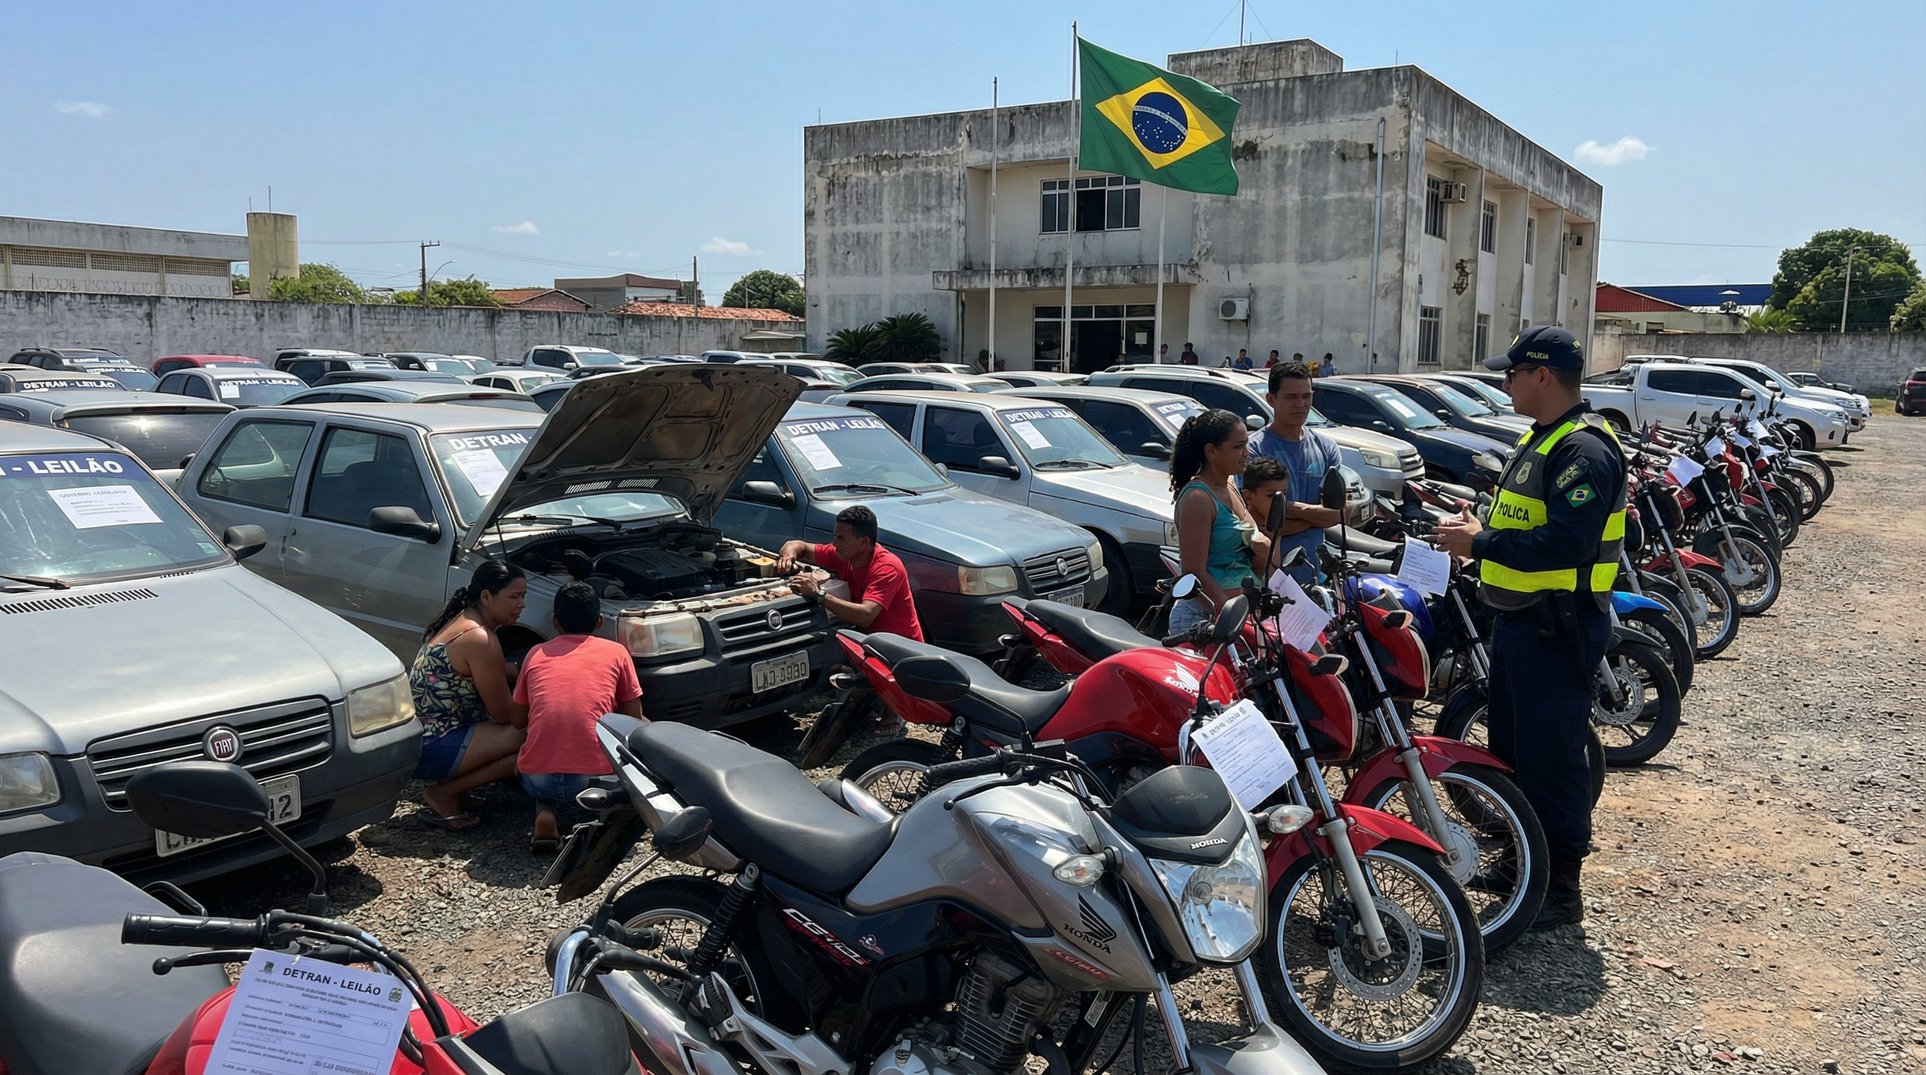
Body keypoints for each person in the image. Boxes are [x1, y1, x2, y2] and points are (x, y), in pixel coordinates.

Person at [1434, 325, 1627, 931]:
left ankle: (1560, 887)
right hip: (1521, 625)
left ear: (1542, 376)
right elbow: (1525, 521)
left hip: (1556, 627)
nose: (1505, 382)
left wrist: (1480, 541)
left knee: (1553, 758)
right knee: (1513, 753)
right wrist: (1481, 526)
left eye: (1512, 373)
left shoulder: (1585, 449)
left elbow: (1566, 541)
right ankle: (1524, 860)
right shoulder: (1543, 439)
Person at [512, 581, 643, 853]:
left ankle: (545, 812)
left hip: (539, 779)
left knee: (532, 764)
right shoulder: (616, 652)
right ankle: (606, 817)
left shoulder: (535, 654)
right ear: (598, 622)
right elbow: (633, 719)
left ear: (555, 621)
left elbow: (517, 720)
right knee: (644, 732)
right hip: (594, 779)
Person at [410, 559, 528, 830]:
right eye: (514, 597)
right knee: (534, 733)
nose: (521, 604)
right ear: (486, 597)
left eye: (524, 596)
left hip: (424, 738)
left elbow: (497, 670)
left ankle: (456, 789)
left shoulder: (464, 621)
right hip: (434, 746)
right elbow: (505, 715)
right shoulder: (479, 638)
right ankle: (445, 792)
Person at [1168, 409, 1269, 636]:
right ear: (1211, 451)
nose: (1247, 452)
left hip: (1245, 616)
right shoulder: (1198, 498)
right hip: (1206, 621)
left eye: (1246, 444)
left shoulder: (1230, 485)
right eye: (1237, 447)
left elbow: (1255, 542)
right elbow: (1193, 571)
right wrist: (1227, 611)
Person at [1247, 361, 1344, 588]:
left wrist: (1286, 508)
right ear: (1271, 399)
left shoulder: (1326, 447)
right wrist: (1314, 520)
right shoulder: (1255, 450)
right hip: (1271, 581)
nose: (1300, 404)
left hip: (1316, 577)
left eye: (1306, 396)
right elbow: (1258, 524)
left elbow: (1338, 514)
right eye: (1291, 397)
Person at [777, 505, 924, 642]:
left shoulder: (887, 567)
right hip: (868, 642)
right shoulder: (843, 555)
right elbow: (797, 545)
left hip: (900, 653)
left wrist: (818, 594)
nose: (834, 543)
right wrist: (788, 557)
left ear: (864, 542)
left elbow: (866, 616)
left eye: (841, 538)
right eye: (835, 536)